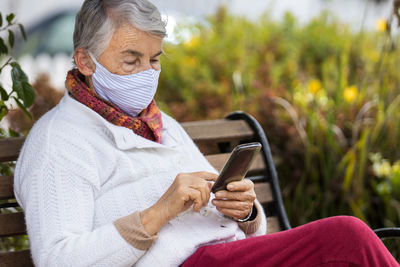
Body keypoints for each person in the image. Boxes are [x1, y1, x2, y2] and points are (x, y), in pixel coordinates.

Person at [14, 0, 399, 266]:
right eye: (131, 60)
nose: (146, 74)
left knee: (345, 245)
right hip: (189, 262)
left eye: (154, 61)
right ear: (85, 60)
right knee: (345, 239)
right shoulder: (59, 141)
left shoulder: (157, 124)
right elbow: (59, 259)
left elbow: (238, 217)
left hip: (229, 254)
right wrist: (158, 213)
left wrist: (246, 211)